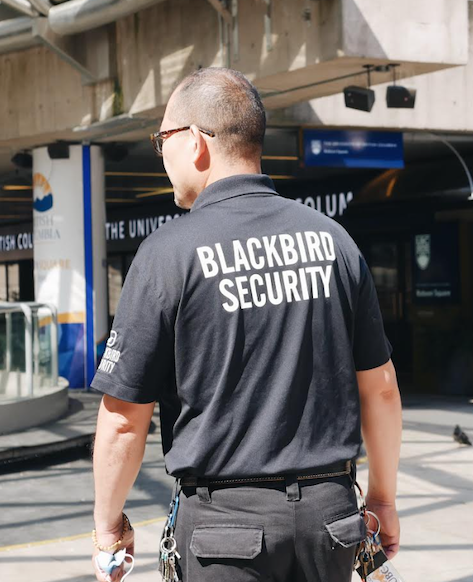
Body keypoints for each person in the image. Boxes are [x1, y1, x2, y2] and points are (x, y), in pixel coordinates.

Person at [90, 67, 402, 582]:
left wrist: (108, 526)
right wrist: (383, 500)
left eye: (161, 139)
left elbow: (124, 417)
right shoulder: (333, 241)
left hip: (223, 533)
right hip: (333, 522)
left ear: (195, 143)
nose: (160, 153)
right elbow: (382, 389)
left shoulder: (168, 254)